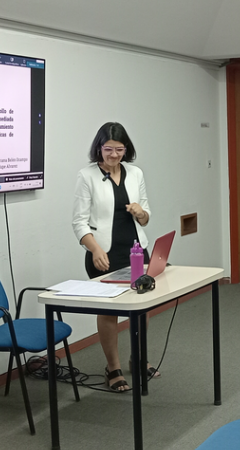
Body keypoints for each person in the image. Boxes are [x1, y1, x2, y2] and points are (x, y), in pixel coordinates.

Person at [72, 122, 154, 392]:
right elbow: (79, 223)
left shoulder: (135, 173)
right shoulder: (87, 176)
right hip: (103, 254)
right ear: (99, 148)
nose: (114, 155)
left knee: (141, 309)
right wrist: (95, 249)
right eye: (109, 149)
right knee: (109, 313)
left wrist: (140, 212)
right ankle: (113, 368)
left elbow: (145, 216)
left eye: (120, 150)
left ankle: (139, 359)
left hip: (136, 250)